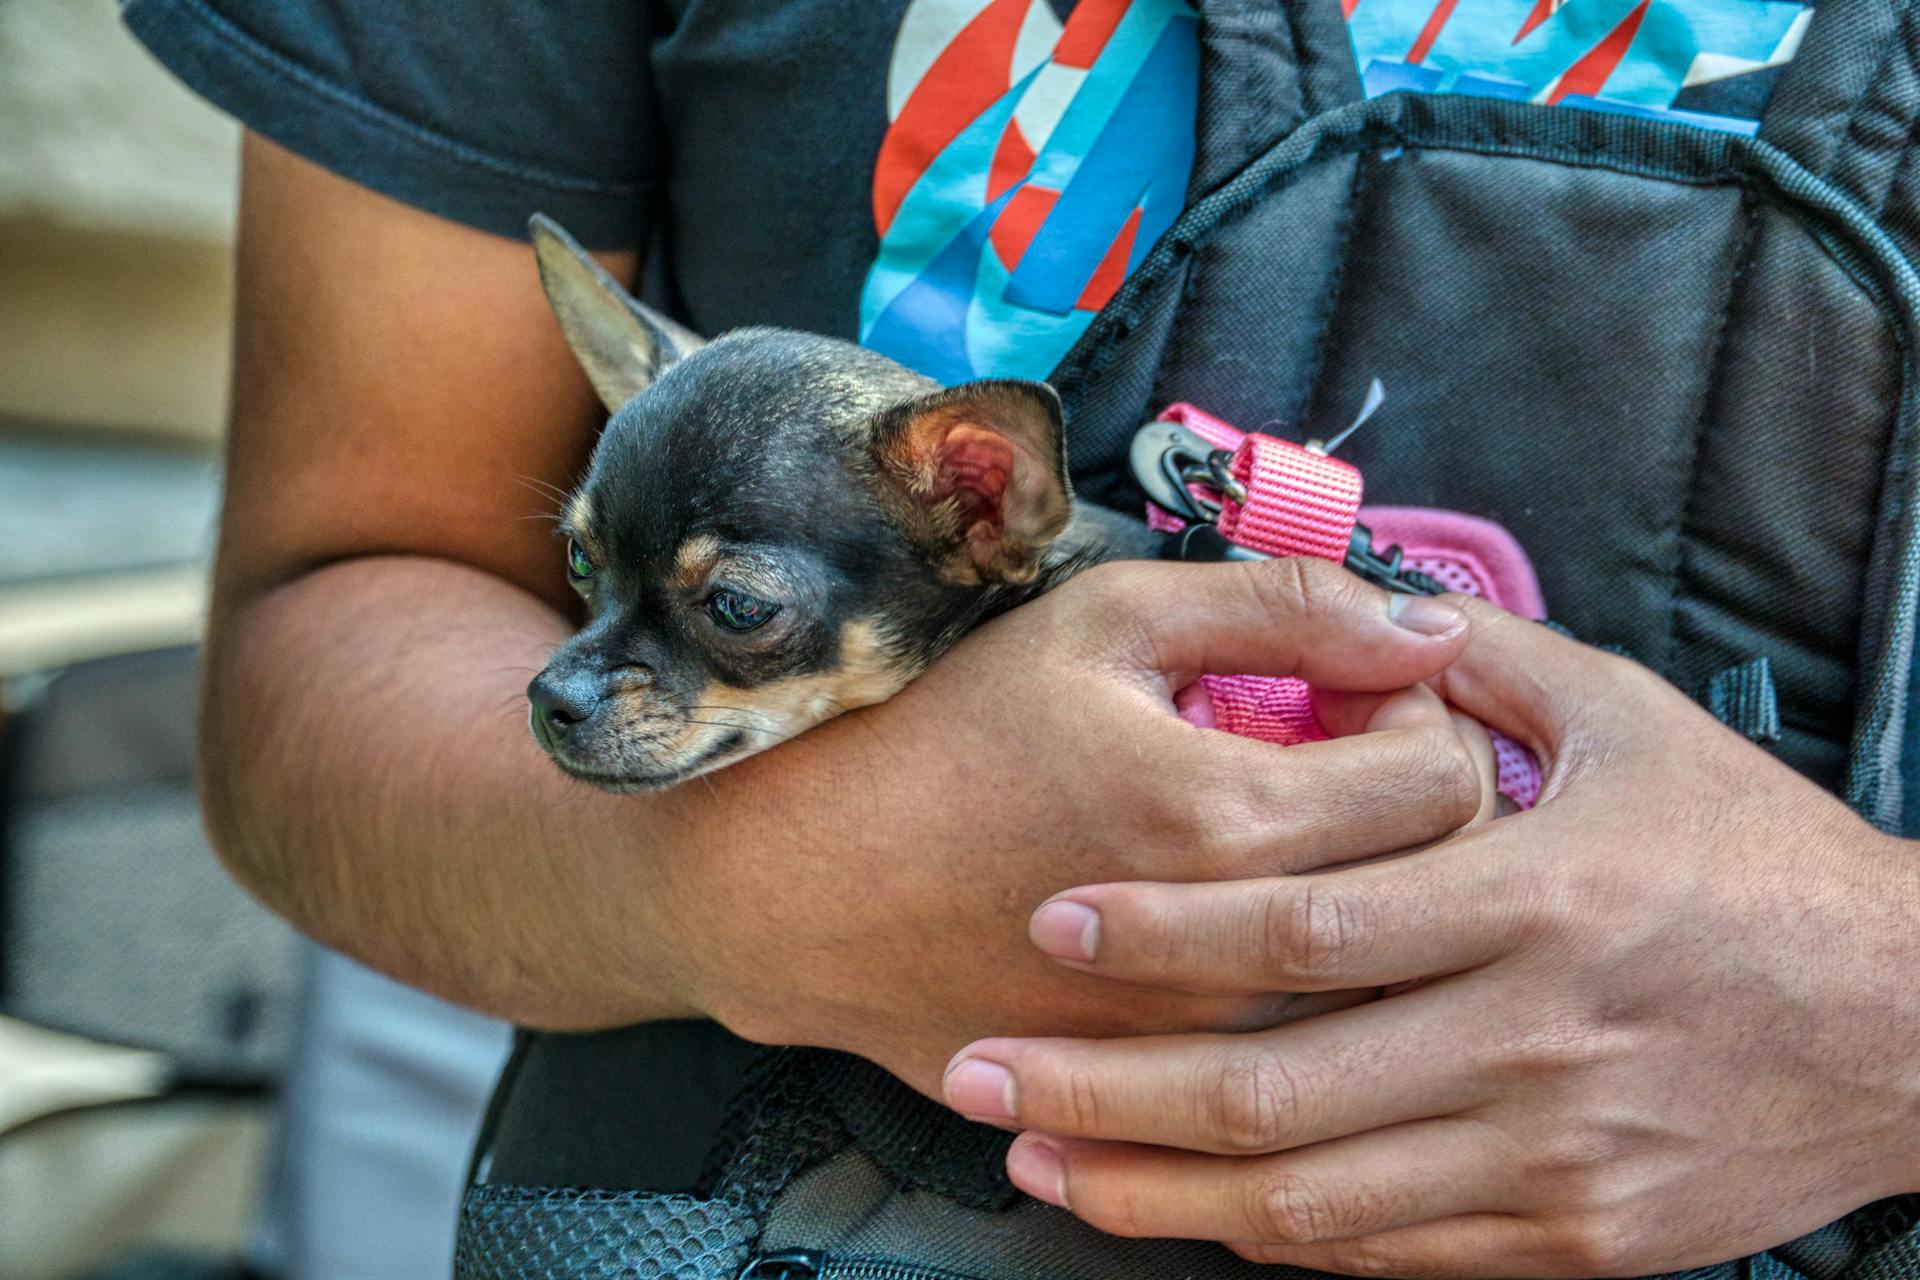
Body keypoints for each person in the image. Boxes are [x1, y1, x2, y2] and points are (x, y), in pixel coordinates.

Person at [123, 0, 1919, 1274]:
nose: (582, 675)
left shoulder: (977, 494)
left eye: (728, 615)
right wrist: (735, 886)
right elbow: (340, 605)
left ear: (984, 499)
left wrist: (1878, 1012)